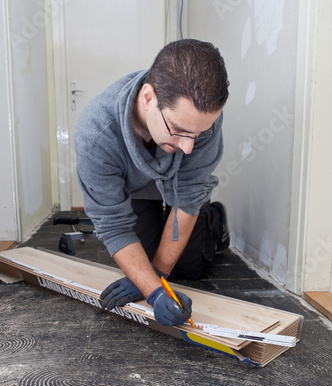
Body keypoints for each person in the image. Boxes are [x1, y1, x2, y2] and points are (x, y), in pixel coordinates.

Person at [75, 39, 230, 327]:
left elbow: (187, 198)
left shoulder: (199, 119)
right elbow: (114, 225)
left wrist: (158, 278)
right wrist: (154, 291)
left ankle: (215, 221)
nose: (187, 148)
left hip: (181, 189)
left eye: (196, 135)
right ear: (148, 99)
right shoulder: (96, 132)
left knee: (189, 267)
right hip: (136, 191)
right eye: (179, 131)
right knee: (139, 264)